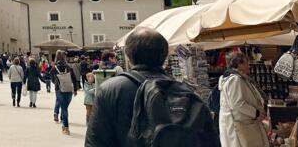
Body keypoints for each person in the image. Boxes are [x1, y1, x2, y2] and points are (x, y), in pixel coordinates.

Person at [85, 27, 218, 147]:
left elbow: (95, 141)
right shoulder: (185, 91)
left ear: (128, 55)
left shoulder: (111, 89)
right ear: (165, 55)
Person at [219, 51, 269, 147]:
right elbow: (236, 103)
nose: (248, 66)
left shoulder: (237, 78)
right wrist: (256, 112)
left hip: (243, 124)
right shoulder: (235, 80)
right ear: (239, 64)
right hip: (240, 126)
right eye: (246, 63)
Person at [50, 50, 78, 135]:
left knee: (64, 108)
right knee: (65, 107)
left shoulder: (55, 68)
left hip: (59, 90)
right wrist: (75, 89)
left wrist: (56, 82)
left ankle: (66, 127)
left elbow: (50, 77)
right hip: (69, 89)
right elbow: (74, 78)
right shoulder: (68, 67)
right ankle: (64, 125)